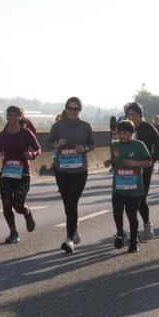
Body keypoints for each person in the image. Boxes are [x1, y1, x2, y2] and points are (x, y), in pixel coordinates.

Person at [49, 96, 95, 253]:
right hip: (62, 170)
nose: (72, 111)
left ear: (79, 110)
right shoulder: (57, 126)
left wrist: (84, 149)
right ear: (66, 109)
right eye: (70, 108)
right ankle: (74, 227)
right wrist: (57, 144)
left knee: (72, 201)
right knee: (67, 202)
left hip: (80, 170)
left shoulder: (85, 126)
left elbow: (92, 144)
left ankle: (68, 239)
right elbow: (47, 143)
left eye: (76, 109)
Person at [0, 105, 41, 244]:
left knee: (18, 205)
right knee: (6, 204)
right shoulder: (2, 135)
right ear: (7, 116)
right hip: (6, 173)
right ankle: (13, 232)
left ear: (20, 117)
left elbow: (38, 149)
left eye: (15, 114)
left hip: (23, 173)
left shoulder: (26, 133)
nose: (11, 117)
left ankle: (27, 213)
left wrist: (32, 155)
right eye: (9, 114)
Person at [104, 120, 153, 253]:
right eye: (119, 133)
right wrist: (109, 162)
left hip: (134, 188)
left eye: (125, 133)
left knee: (132, 215)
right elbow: (114, 159)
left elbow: (149, 162)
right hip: (118, 187)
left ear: (132, 133)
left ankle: (134, 240)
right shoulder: (115, 145)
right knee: (117, 212)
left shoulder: (139, 145)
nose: (121, 136)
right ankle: (120, 233)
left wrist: (135, 163)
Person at [123, 102, 159, 240]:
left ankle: (147, 225)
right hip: (128, 170)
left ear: (140, 114)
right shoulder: (125, 127)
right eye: (129, 114)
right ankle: (132, 232)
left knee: (140, 198)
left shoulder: (147, 127)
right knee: (128, 201)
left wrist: (151, 160)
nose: (131, 116)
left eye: (134, 114)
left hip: (144, 168)